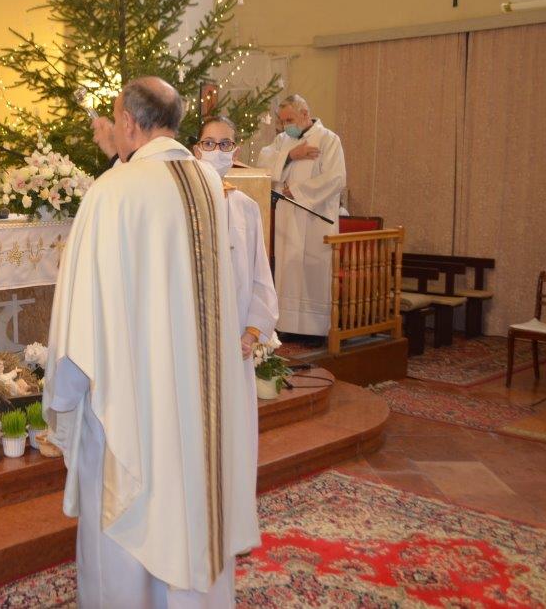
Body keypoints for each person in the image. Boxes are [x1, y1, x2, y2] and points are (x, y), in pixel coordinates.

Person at [44, 77, 260, 608]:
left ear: (128, 122)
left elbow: (81, 314)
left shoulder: (112, 192)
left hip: (135, 403)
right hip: (199, 397)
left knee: (127, 529)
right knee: (195, 506)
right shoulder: (208, 185)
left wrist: (63, 399)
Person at [193, 116, 279, 394]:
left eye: (225, 144)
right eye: (209, 143)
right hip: (194, 329)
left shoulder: (247, 207)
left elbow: (260, 275)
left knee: (232, 403)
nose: (217, 150)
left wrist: (251, 332)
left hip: (237, 329)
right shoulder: (184, 205)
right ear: (197, 151)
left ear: (235, 152)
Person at [258, 94, 346, 338]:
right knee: (289, 271)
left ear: (305, 114)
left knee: (312, 272)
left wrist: (297, 190)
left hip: (315, 218)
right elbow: (263, 161)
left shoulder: (328, 140)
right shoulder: (282, 140)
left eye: (290, 120)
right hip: (287, 218)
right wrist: (290, 155)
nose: (286, 125)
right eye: (283, 121)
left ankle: (314, 331)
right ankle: (286, 326)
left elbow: (336, 178)